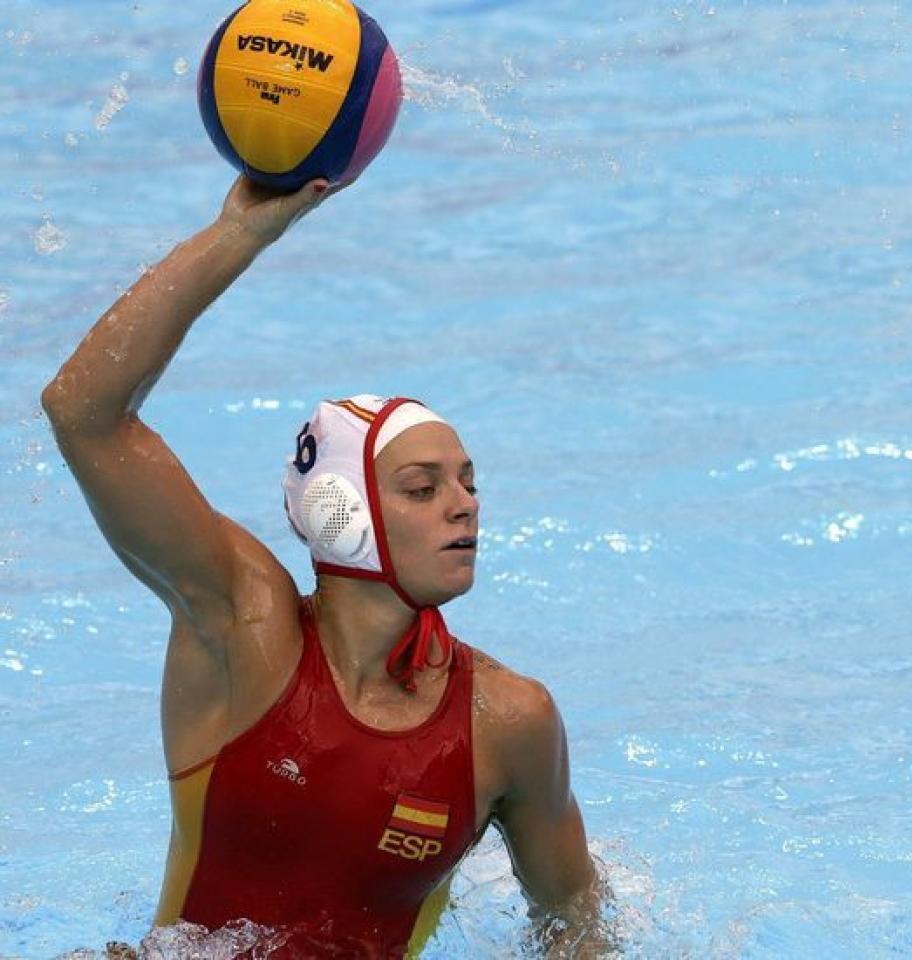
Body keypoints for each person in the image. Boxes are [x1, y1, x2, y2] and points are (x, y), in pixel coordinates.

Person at [41, 176, 607, 958]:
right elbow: (83, 412)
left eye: (469, 483)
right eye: (423, 488)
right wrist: (238, 235)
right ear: (342, 511)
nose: (465, 507)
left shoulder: (508, 723)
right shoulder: (242, 629)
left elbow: (577, 927)